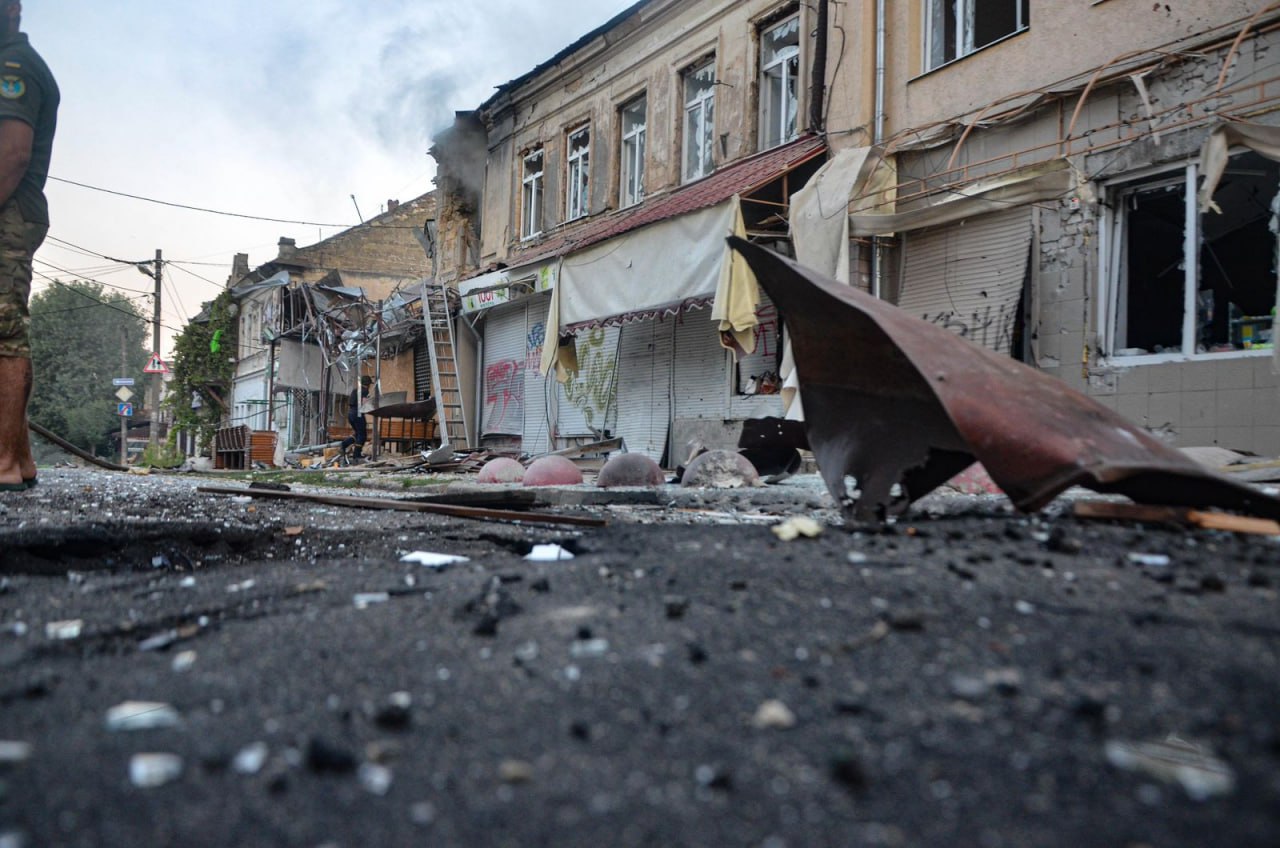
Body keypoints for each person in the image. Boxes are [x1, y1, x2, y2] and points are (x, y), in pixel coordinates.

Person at [0, 1, 57, 493]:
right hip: (16, 214)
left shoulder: (13, 65)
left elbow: (13, 153)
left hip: (8, 214)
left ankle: (2, 462)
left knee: (3, 336)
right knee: (7, 329)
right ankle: (18, 459)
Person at [339, 375, 371, 462]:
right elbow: (364, 403)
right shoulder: (365, 391)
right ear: (368, 384)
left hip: (351, 414)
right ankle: (356, 455)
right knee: (362, 435)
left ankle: (344, 444)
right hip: (358, 414)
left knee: (357, 434)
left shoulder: (355, 390)